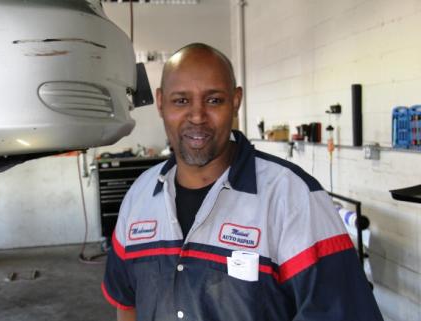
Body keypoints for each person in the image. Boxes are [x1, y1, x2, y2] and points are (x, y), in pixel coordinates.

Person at [102, 43, 384, 321]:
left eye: (213, 100)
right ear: (161, 103)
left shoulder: (292, 197)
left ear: (235, 102)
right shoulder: (139, 198)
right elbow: (127, 304)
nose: (197, 116)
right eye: (181, 101)